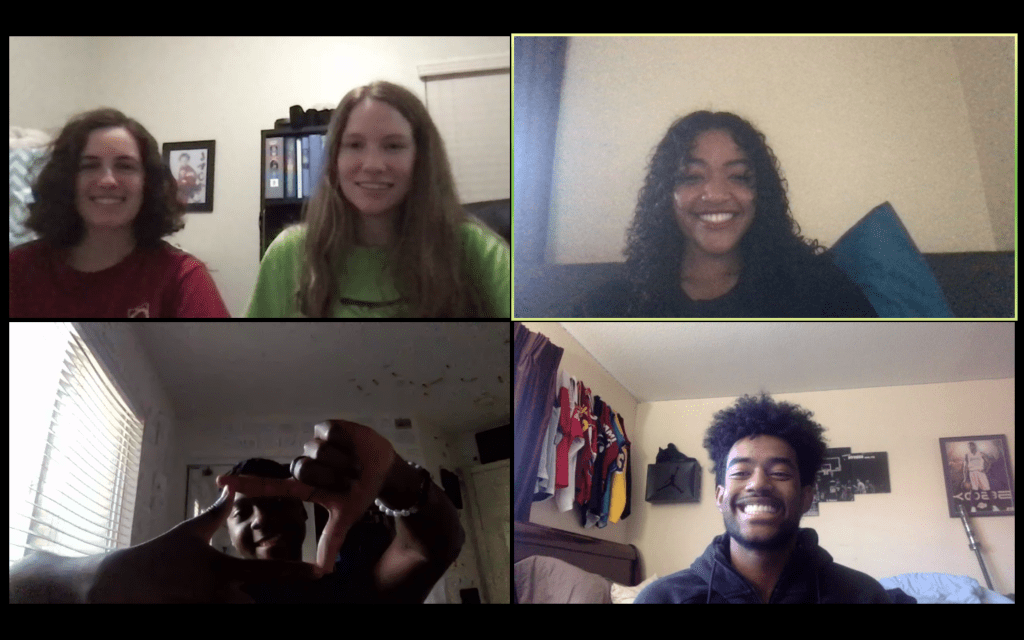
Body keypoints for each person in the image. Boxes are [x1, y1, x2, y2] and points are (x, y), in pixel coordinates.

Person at [9, 420, 464, 603]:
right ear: (226, 531)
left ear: (306, 514)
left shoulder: (352, 585)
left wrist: (398, 479)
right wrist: (92, 584)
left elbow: (434, 549)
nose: (262, 519)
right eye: (243, 513)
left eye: (277, 503)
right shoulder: (197, 599)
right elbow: (25, 574)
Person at [246, 81, 510, 318]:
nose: (373, 165)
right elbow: (253, 364)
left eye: (393, 146)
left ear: (421, 158)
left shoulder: (478, 252)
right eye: (355, 145)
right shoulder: (288, 256)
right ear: (334, 159)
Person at [576, 111, 877, 318]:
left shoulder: (818, 291)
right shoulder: (614, 306)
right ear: (665, 195)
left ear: (761, 193)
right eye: (692, 177)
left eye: (738, 176)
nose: (717, 194)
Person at [635, 393, 891, 603]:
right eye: (741, 473)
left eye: (779, 473)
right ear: (719, 496)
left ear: (806, 497)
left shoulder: (863, 596)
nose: (758, 483)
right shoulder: (661, 599)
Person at [9, 109, 230, 318]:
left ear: (147, 183)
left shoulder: (183, 278)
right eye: (90, 166)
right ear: (66, 181)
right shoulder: (18, 270)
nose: (107, 180)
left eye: (125, 166)